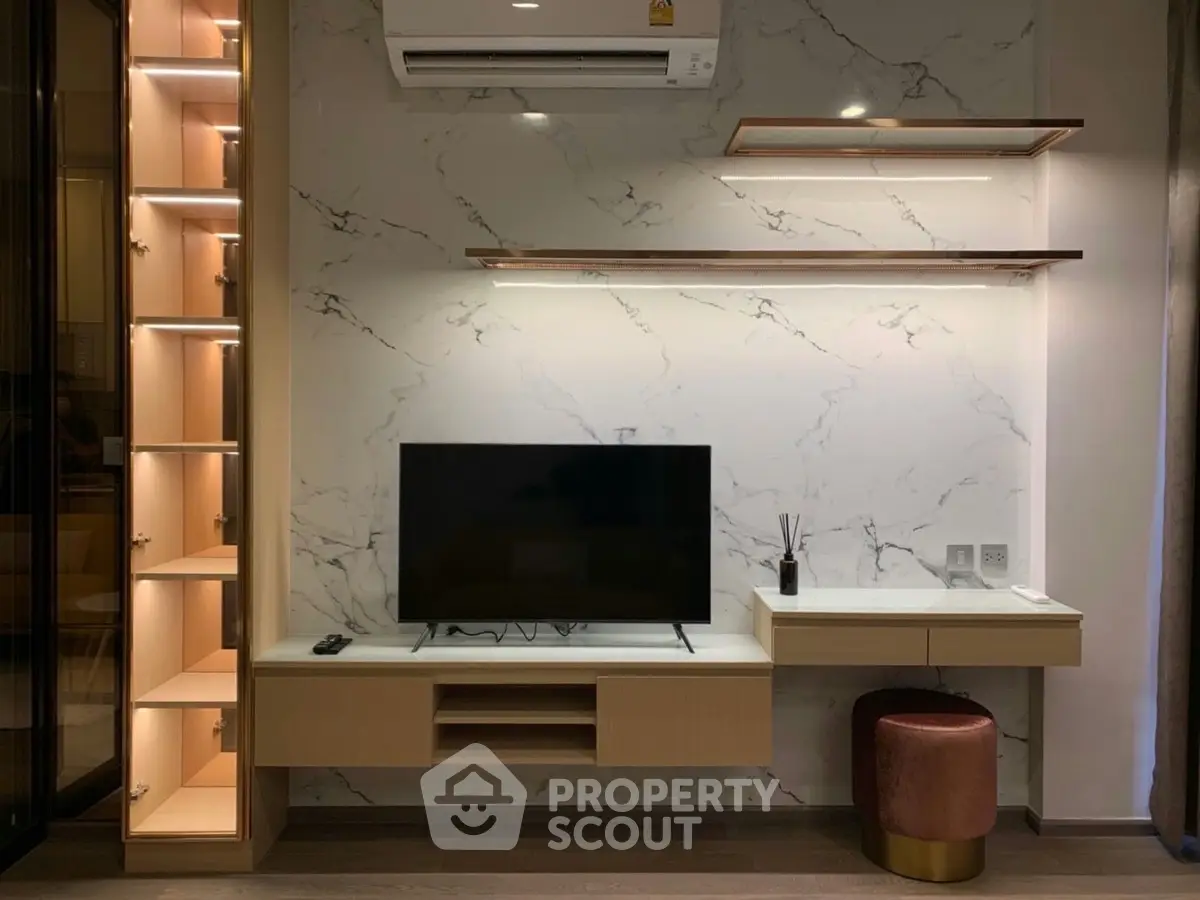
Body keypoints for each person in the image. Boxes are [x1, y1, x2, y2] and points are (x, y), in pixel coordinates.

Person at [56, 394, 102, 474]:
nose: (61, 402)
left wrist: (67, 438)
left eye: (64, 398)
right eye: (59, 398)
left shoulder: (85, 424)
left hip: (78, 474)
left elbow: (94, 452)